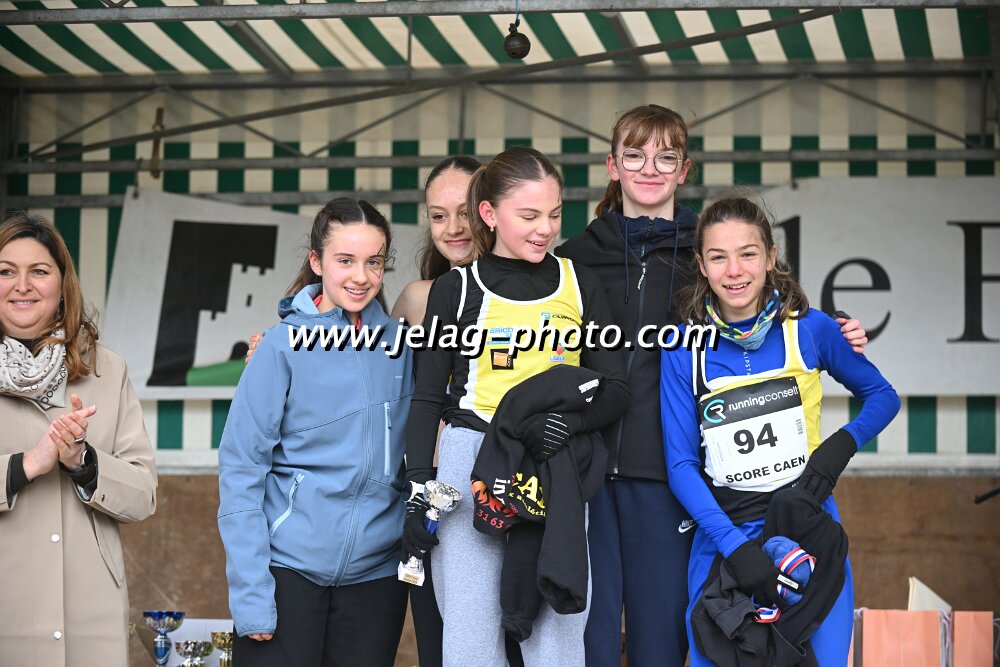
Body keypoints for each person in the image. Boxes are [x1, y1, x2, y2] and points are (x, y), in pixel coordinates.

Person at [556, 104, 868, 666]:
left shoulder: (705, 253)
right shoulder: (573, 259)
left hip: (668, 479)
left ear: (684, 169)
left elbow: (771, 313)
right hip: (586, 471)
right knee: (586, 640)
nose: (649, 169)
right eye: (635, 155)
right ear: (612, 165)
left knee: (659, 644)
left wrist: (838, 331)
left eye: (666, 157)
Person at [403, 146, 630, 667]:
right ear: (489, 213)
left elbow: (616, 388)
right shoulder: (456, 288)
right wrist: (418, 487)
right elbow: (428, 396)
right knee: (471, 636)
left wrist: (568, 424)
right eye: (529, 216)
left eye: (554, 214)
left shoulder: (579, 283)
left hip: (554, 464)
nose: (545, 229)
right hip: (471, 464)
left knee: (557, 634)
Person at [659, 195, 900, 666]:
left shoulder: (812, 329)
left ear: (771, 257)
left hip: (808, 526)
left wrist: (838, 449)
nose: (734, 271)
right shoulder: (682, 347)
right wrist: (736, 548)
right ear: (701, 266)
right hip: (725, 538)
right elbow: (681, 465)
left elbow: (883, 396)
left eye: (747, 254)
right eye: (718, 257)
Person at [218, 198, 414, 667]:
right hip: (288, 573)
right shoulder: (280, 347)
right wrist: (251, 593)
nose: (361, 276)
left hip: (376, 580)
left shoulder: (405, 347)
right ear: (316, 261)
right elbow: (242, 469)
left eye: (373, 262)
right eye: (345, 260)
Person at [0, 212, 158, 667]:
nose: (22, 286)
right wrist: (26, 465)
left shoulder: (107, 369)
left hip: (90, 615)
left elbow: (143, 495)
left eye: (39, 271)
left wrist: (83, 462)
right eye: (6, 271)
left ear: (63, 283)